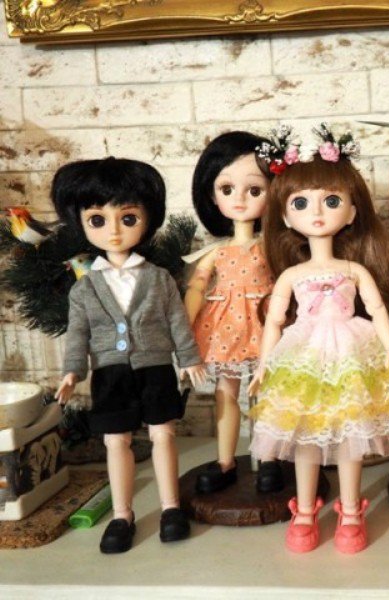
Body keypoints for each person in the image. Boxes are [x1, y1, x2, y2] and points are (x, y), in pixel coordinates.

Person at [247, 124, 389, 554]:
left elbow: (378, 310)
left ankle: (350, 511)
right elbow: (274, 322)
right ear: (285, 217)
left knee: (352, 434)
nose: (317, 213)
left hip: (352, 351)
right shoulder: (292, 275)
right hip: (305, 355)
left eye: (331, 201)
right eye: (301, 203)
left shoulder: (355, 270)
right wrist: (263, 365)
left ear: (351, 213)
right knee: (306, 435)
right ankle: (305, 511)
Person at [53, 157, 206, 554]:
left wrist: (189, 358)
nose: (115, 230)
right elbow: (78, 334)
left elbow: (177, 321)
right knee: (115, 441)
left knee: (163, 434)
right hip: (110, 374)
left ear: (147, 219)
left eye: (128, 217)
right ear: (81, 223)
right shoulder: (85, 288)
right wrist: (72, 371)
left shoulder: (158, 278)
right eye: (98, 220)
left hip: (156, 368)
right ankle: (122, 515)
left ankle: (170, 508)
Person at [184, 130, 282, 494]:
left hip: (265, 323)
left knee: (267, 390)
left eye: (254, 190)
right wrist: (184, 325)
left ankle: (268, 458)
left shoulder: (270, 247)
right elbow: (197, 287)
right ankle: (225, 460)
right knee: (226, 391)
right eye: (227, 189)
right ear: (212, 195)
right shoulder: (217, 252)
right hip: (224, 327)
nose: (239, 199)